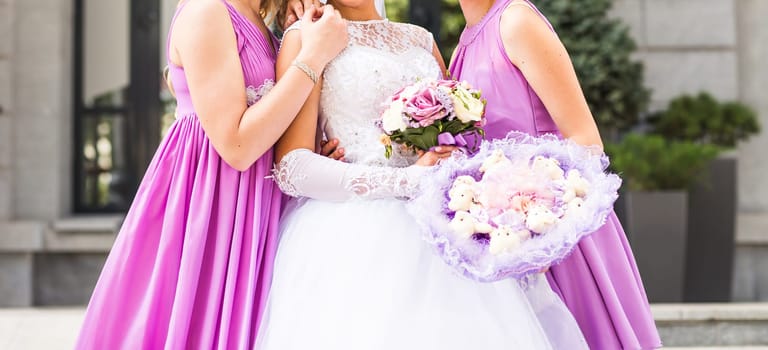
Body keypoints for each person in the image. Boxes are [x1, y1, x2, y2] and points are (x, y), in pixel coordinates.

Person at [254, 0, 588, 348]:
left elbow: (460, 134)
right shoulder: (307, 34)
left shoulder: (421, 39)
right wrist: (406, 180)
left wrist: (455, 158)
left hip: (445, 227)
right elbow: (292, 166)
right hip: (355, 234)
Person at [75, 0, 348, 348]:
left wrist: (307, 149)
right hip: (209, 206)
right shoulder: (206, 11)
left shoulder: (262, 21)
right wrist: (313, 57)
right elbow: (236, 146)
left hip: (256, 205)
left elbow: (270, 119)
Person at [449, 0, 662, 348]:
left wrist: (542, 235)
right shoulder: (464, 43)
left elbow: (586, 142)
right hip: (504, 244)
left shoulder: (515, 21)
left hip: (560, 237)